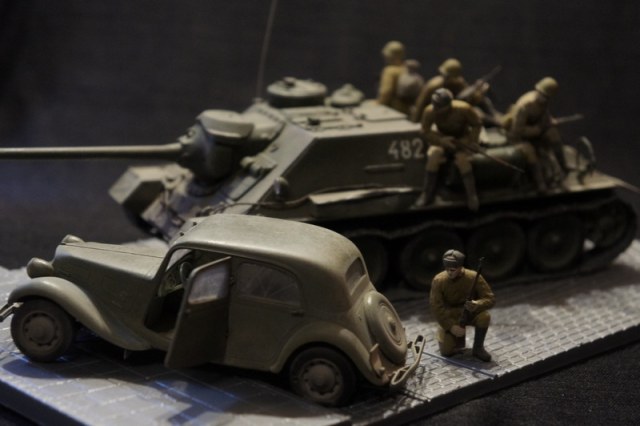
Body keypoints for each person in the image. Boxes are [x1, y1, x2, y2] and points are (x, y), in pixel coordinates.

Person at [414, 88, 482, 210]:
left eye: (441, 108)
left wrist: (472, 142)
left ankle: (472, 195)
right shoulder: (429, 111)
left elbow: (476, 124)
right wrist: (441, 141)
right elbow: (424, 131)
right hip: (443, 139)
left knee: (462, 161)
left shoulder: (464, 108)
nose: (438, 111)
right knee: (433, 158)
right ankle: (427, 193)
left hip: (462, 139)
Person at [429, 249, 495, 362]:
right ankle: (445, 334)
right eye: (447, 269)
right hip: (450, 316)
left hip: (470, 312)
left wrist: (477, 304)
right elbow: (436, 307)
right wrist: (450, 326)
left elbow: (490, 298)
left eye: (452, 270)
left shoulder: (473, 277)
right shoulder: (439, 280)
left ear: (460, 267)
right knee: (447, 351)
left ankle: (478, 348)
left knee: (484, 317)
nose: (449, 273)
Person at [502, 77, 567, 186]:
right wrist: (538, 130)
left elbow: (543, 116)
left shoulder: (543, 103)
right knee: (530, 152)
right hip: (517, 138)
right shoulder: (525, 105)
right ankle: (539, 183)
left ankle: (563, 167)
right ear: (538, 91)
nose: (544, 99)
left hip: (534, 132)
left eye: (547, 97)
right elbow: (517, 131)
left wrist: (549, 122)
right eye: (542, 95)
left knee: (554, 135)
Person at [376, 41, 413, 114]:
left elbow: (386, 92)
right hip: (407, 109)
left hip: (393, 110)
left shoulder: (390, 71)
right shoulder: (407, 68)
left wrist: (378, 105)